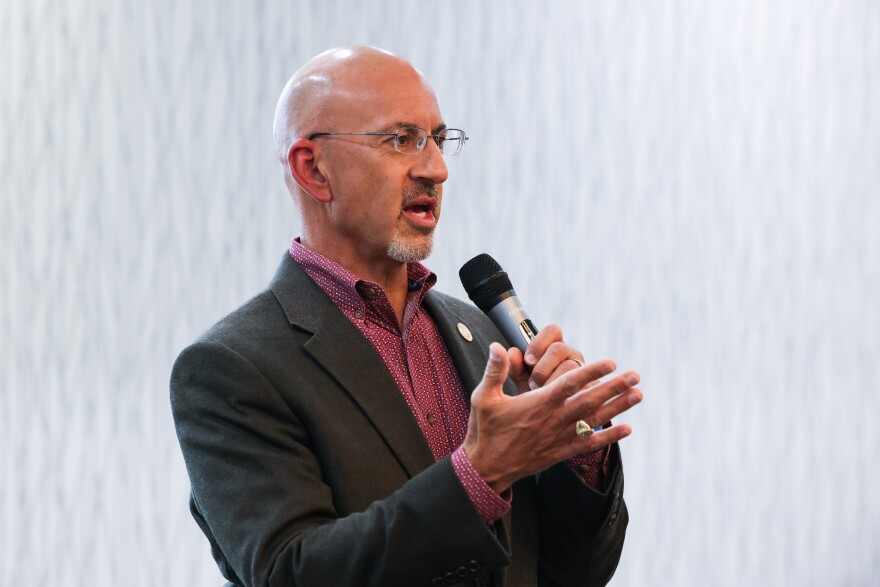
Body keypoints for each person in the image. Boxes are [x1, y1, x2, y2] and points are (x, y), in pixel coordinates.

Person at [171, 45, 643, 587]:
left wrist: (576, 453)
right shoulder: (230, 367)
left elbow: (572, 572)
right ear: (313, 169)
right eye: (401, 140)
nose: (436, 169)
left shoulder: (483, 336)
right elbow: (291, 573)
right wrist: (479, 475)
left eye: (439, 140)